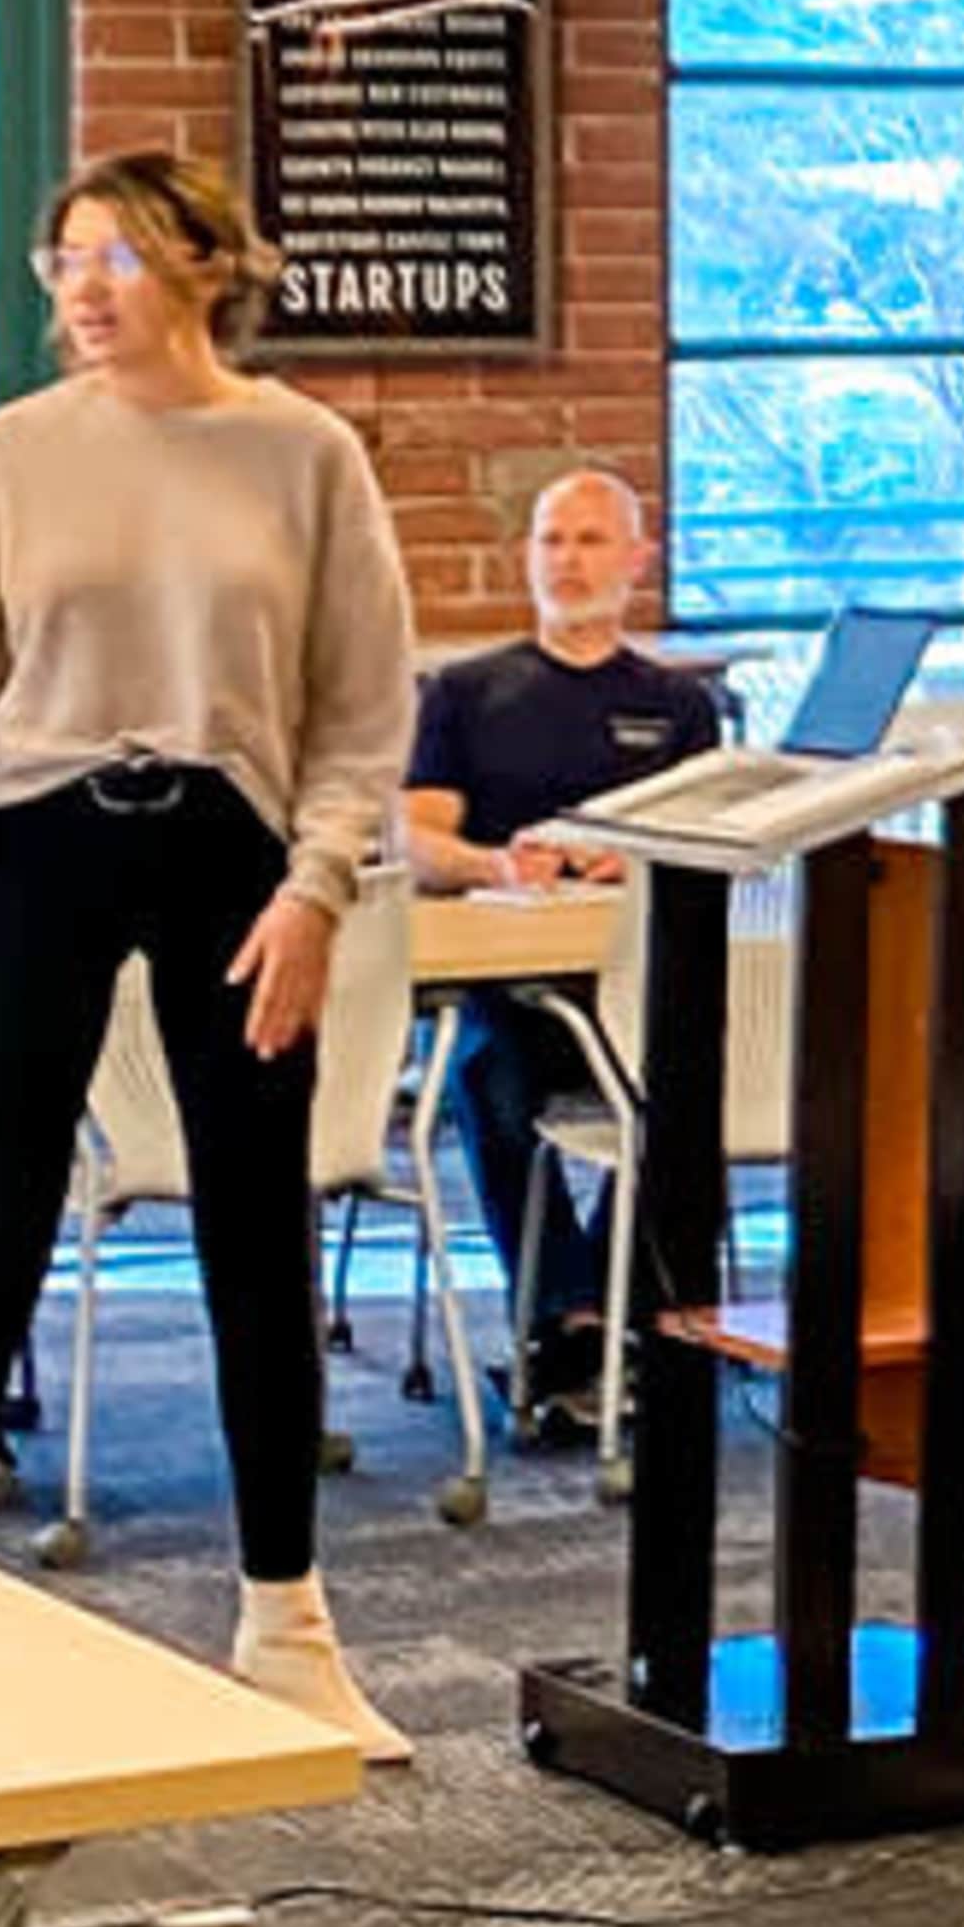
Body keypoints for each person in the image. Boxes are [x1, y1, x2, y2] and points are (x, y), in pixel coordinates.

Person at [0, 148, 417, 1760]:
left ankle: (289, 1625)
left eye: (111, 254)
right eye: (61, 262)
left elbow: (361, 705)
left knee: (255, 1229)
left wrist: (319, 890)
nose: (81, 288)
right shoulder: (11, 455)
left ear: (201, 261)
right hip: (40, 831)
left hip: (233, 847)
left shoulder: (302, 453)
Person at [402, 471, 719, 1414]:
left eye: (589, 541)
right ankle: (570, 1320)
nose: (568, 562)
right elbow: (414, 841)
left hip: (633, 988)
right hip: (509, 984)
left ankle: (634, 1315)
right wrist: (494, 865)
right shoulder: (465, 692)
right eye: (551, 541)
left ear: (636, 560)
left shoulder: (679, 706)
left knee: (694, 1084)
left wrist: (646, 862)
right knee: (488, 1078)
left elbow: (717, 839)